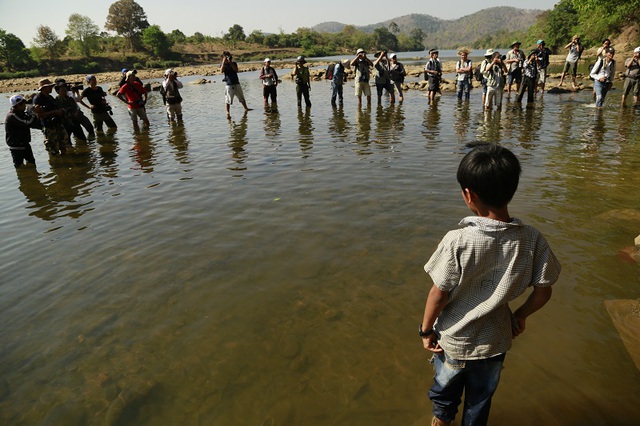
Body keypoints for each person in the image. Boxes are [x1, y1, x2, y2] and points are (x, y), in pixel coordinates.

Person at [421, 143, 561, 426]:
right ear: (512, 188)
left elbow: (439, 294)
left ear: (468, 195)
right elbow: (544, 291)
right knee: (481, 399)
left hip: (455, 340)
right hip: (496, 341)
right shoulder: (532, 239)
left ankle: (442, 420)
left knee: (445, 390)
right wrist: (520, 315)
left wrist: (425, 330)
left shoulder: (457, 240)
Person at [33, 78, 68, 155]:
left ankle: (65, 163)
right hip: (49, 127)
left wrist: (60, 111)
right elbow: (39, 115)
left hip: (58, 124)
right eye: (49, 86)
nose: (51, 88)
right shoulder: (38, 99)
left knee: (63, 145)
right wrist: (54, 112)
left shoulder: (50, 97)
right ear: (44, 88)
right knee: (53, 150)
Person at [5, 95, 40, 168]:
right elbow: (27, 123)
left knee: (32, 164)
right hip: (16, 146)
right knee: (19, 167)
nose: (25, 106)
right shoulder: (12, 116)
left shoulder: (22, 113)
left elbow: (33, 124)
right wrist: (33, 113)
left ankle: (32, 178)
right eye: (23, 104)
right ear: (17, 105)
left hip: (25, 143)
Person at [220, 51, 252, 118]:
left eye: (228, 56)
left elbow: (236, 70)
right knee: (228, 99)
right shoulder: (223, 64)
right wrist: (223, 61)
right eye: (226, 56)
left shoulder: (233, 63)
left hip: (236, 82)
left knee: (241, 97)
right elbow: (221, 71)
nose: (228, 58)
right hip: (229, 84)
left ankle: (246, 108)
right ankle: (228, 112)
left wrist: (230, 62)